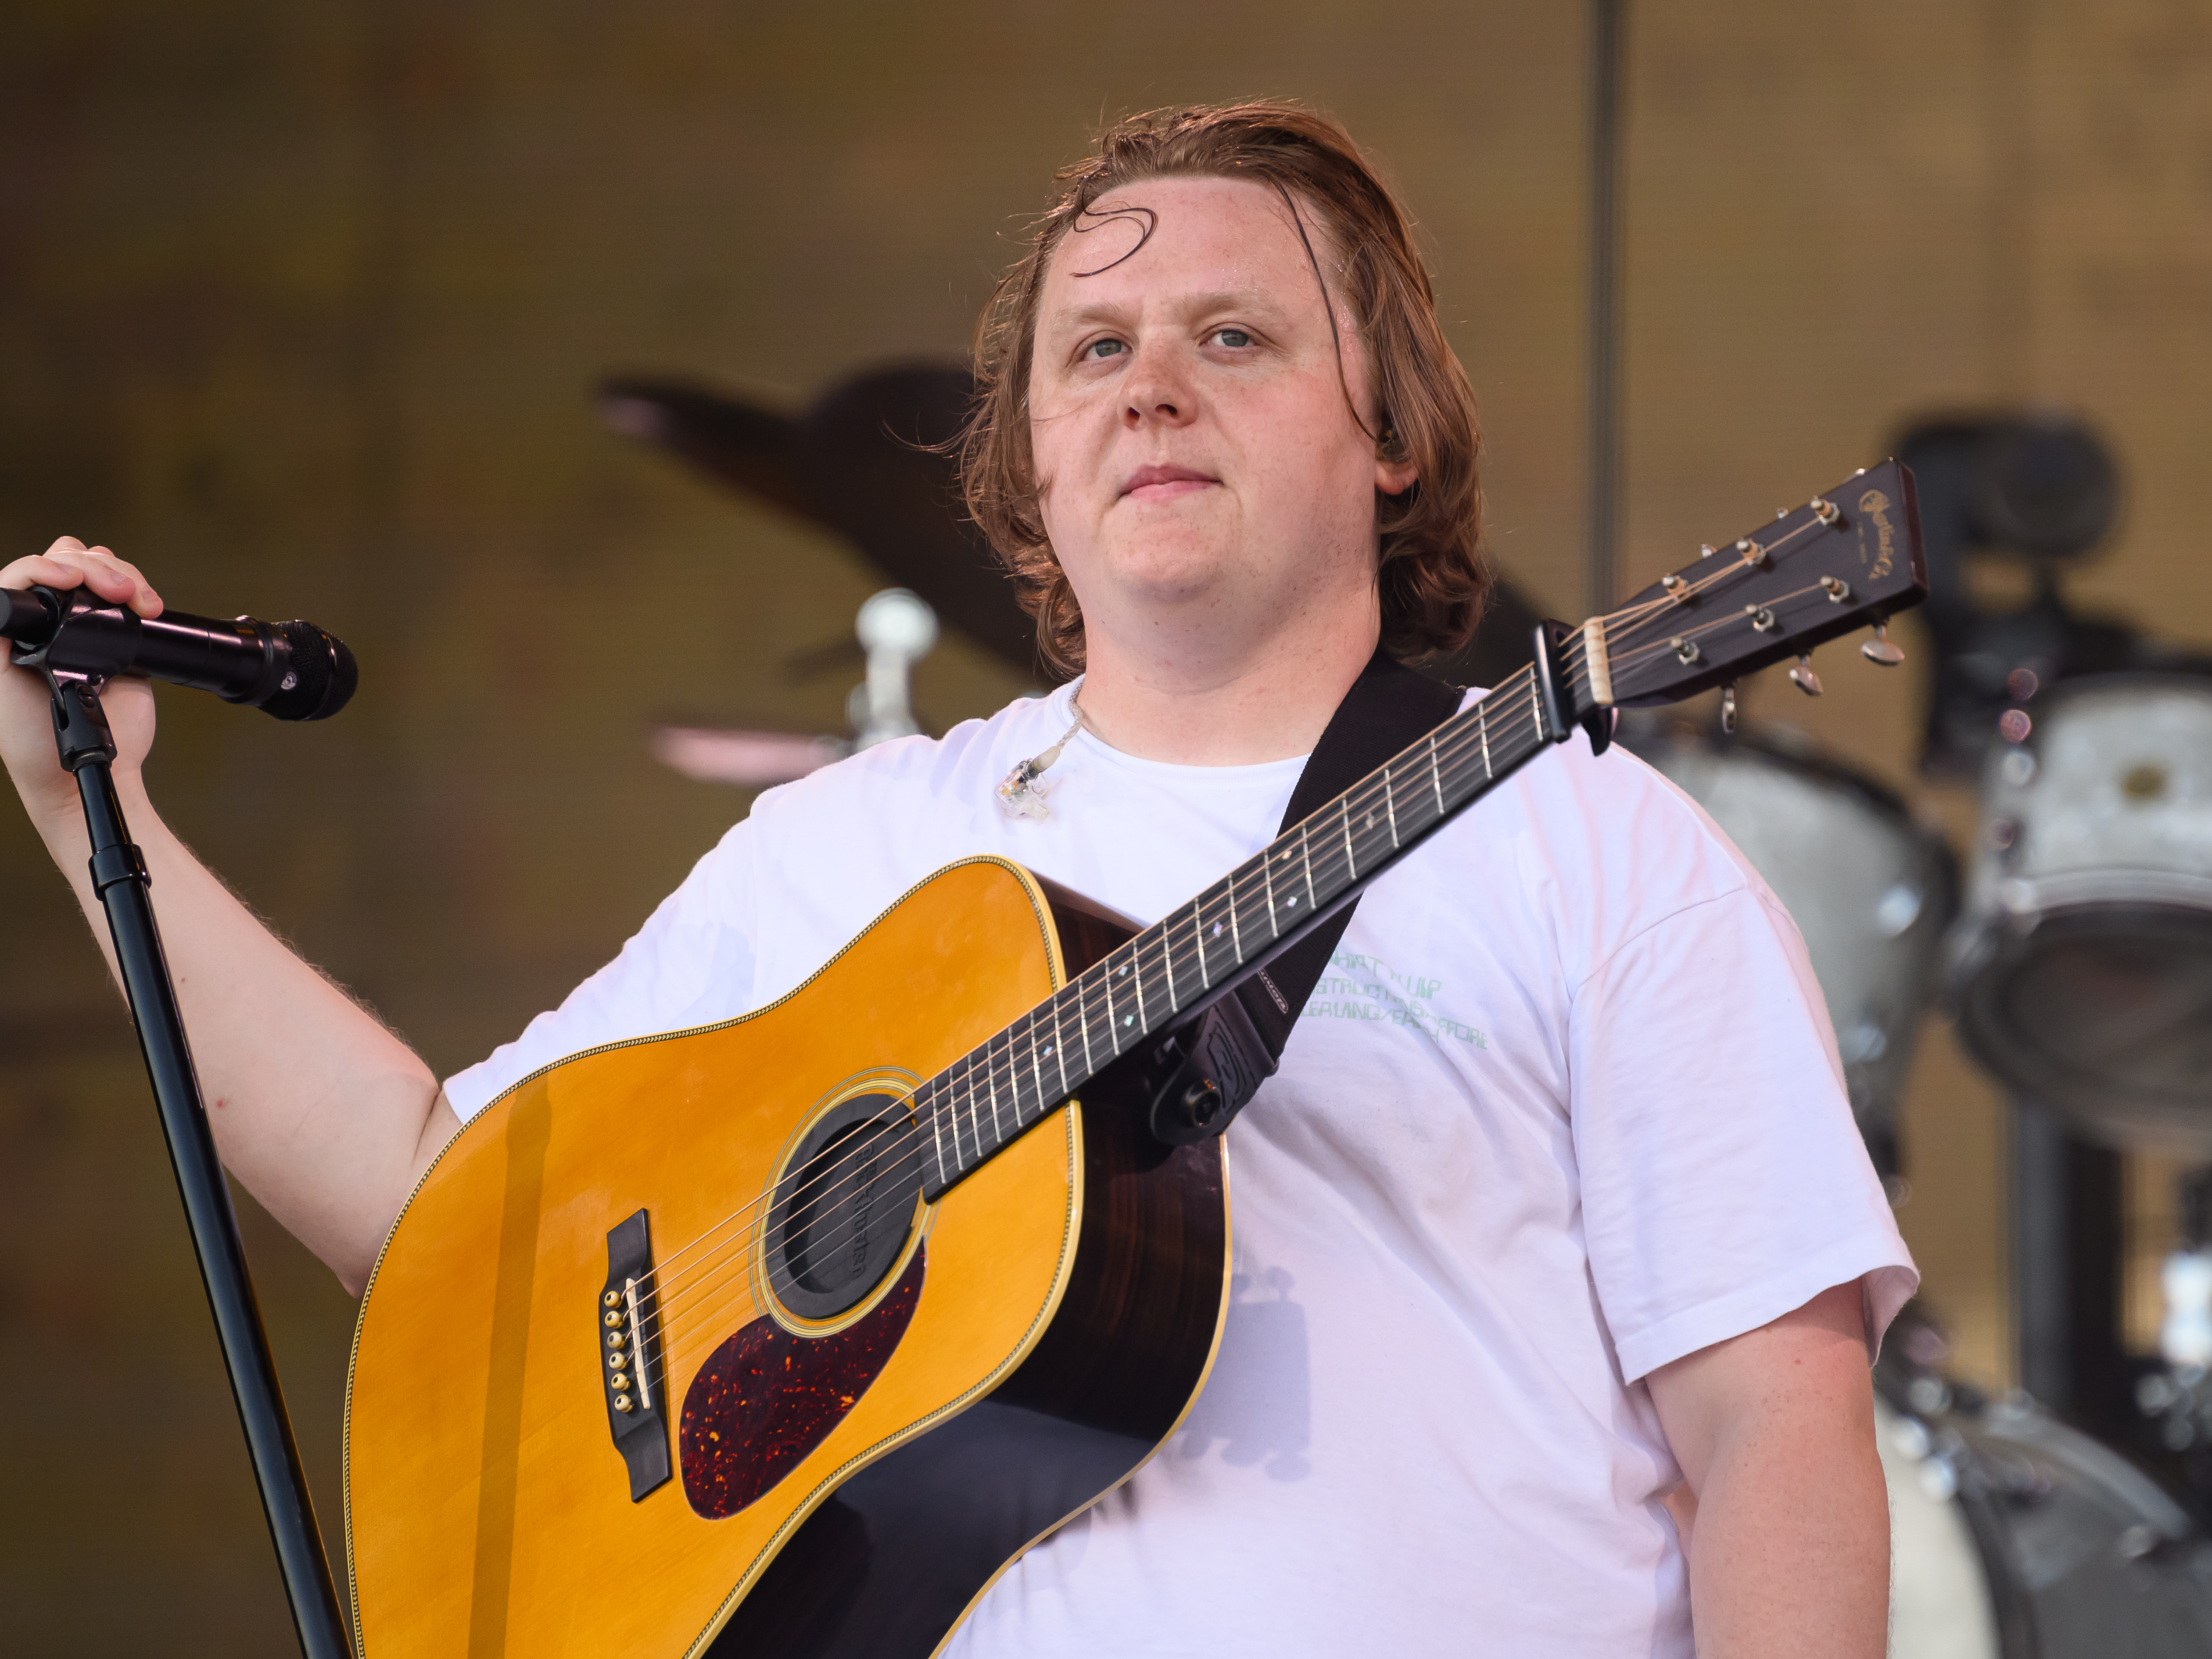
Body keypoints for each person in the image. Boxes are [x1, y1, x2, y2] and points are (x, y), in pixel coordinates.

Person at [2, 101, 1912, 1656]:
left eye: (1232, 337)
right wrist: (107, 829)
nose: (1150, 387)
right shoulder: (860, 844)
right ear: (1033, 459)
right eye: (1096, 351)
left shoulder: (1586, 843)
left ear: (1392, 435)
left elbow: (1775, 1420)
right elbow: (436, 1205)